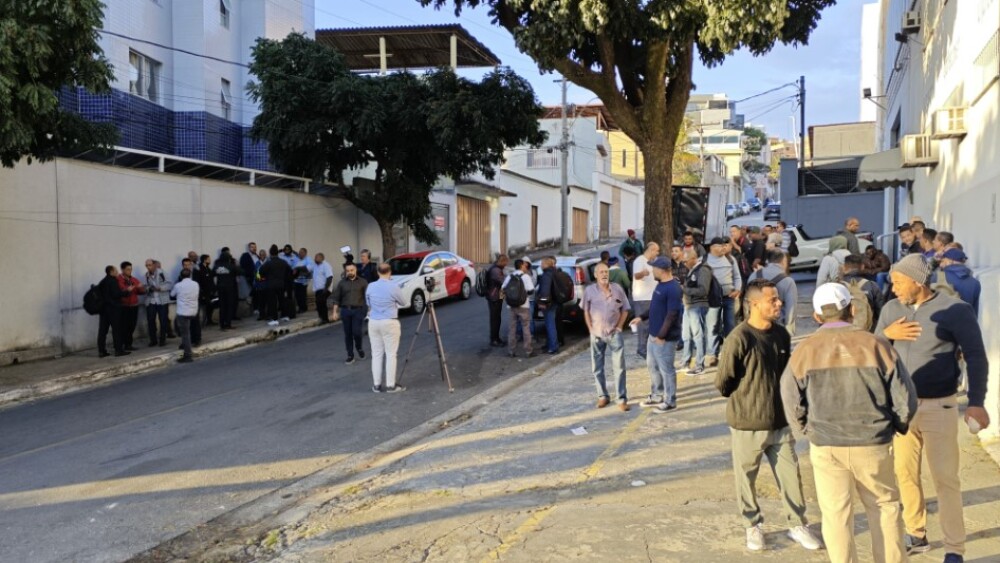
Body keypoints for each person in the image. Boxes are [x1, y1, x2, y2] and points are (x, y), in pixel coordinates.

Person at [782, 283, 916, 563]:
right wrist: (897, 426)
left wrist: (806, 431)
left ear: (817, 316)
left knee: (836, 516)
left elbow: (791, 398)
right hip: (874, 443)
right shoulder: (877, 345)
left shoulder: (805, 350)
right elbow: (905, 397)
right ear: (852, 310)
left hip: (827, 446)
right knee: (885, 509)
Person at [877, 254, 990, 560]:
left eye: (899, 282)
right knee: (904, 474)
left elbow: (976, 356)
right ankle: (916, 533)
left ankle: (954, 549)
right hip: (901, 409)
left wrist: (977, 402)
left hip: (939, 406)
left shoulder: (955, 310)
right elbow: (872, 351)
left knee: (945, 479)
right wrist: (886, 336)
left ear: (918, 281)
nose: (893, 287)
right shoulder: (890, 309)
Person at [714, 279, 822, 553]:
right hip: (748, 422)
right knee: (746, 478)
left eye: (777, 299)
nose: (779, 304)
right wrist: (749, 396)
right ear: (754, 304)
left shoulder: (782, 335)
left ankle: (797, 523)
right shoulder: (739, 338)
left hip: (780, 421)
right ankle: (752, 525)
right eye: (772, 300)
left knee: (791, 475)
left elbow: (788, 376)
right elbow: (724, 382)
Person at [631, 256, 683, 413]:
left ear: (662, 270)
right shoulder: (660, 285)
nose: (652, 270)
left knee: (666, 369)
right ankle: (657, 394)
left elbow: (672, 314)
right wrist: (641, 317)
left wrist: (661, 335)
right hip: (653, 336)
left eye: (654, 268)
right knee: (652, 366)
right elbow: (655, 307)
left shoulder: (673, 288)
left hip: (664, 338)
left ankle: (670, 401)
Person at [582, 262, 631, 411]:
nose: (604, 274)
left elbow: (626, 309)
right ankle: (602, 396)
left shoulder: (617, 289)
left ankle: (621, 399)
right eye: (601, 272)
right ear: (595, 275)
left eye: (606, 272)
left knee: (619, 367)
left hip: (614, 334)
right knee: (597, 367)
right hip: (596, 334)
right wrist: (590, 329)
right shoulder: (589, 291)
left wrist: (620, 326)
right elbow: (585, 311)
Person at [366, 262, 409, 393]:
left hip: (373, 321)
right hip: (389, 321)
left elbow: (368, 303)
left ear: (378, 272)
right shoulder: (394, 286)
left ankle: (376, 385)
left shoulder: (370, 286)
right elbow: (403, 302)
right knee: (391, 354)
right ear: (390, 272)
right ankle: (391, 385)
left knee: (376, 354)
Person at [705, 237, 742, 365]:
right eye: (720, 246)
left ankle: (731, 353)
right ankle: (712, 355)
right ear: (712, 247)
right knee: (713, 327)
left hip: (729, 298)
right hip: (712, 299)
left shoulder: (731, 260)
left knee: (730, 326)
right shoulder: (704, 261)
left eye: (724, 246)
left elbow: (737, 276)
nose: (723, 248)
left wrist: (737, 289)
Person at [749, 249, 797, 335]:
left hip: (756, 324)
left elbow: (748, 302)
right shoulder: (788, 281)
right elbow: (791, 309)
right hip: (778, 325)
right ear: (783, 261)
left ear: (768, 261)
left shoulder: (753, 276)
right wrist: (789, 331)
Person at [329, 262, 369, 363]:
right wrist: (334, 312)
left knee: (357, 332)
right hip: (345, 311)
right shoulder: (342, 283)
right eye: (347, 271)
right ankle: (350, 355)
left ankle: (359, 347)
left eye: (352, 270)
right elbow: (336, 299)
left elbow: (368, 297)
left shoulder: (363, 282)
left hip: (358, 311)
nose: (350, 272)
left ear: (355, 270)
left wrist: (369, 310)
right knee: (348, 334)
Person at [679, 250, 711, 375]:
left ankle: (699, 364)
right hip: (688, 306)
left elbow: (703, 290)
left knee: (698, 335)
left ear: (693, 258)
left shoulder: (703, 270)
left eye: (686, 261)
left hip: (698, 305)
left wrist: (685, 289)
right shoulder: (693, 269)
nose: (684, 263)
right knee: (686, 335)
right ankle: (686, 361)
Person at [631, 242, 660, 359]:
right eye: (656, 251)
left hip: (653, 297)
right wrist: (643, 273)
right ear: (651, 250)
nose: (657, 253)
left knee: (652, 324)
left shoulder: (655, 261)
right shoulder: (640, 260)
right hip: (643, 298)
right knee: (644, 325)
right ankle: (642, 349)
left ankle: (649, 348)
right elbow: (636, 275)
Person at [840, 254, 884, 330]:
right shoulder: (872, 285)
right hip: (867, 332)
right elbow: (881, 313)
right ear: (862, 266)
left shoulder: (836, 287)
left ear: (844, 267)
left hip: (842, 333)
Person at [503, 259, 535, 358]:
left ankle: (511, 351)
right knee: (526, 327)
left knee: (512, 328)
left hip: (512, 306)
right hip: (523, 306)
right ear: (521, 266)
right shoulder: (526, 277)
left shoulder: (509, 276)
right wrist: (524, 295)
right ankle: (528, 351)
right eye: (525, 265)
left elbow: (503, 289)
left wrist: (506, 300)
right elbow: (531, 290)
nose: (526, 267)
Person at [170, 269, 200, 364]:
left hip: (183, 312)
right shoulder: (195, 284)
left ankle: (187, 355)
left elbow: (171, 295)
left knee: (185, 334)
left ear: (181, 276)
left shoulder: (178, 285)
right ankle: (193, 342)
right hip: (193, 311)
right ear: (190, 275)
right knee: (190, 330)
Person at [97, 265, 127, 357]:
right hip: (114, 309)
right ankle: (118, 350)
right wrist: (127, 291)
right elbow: (116, 294)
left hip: (103, 310)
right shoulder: (113, 281)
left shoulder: (102, 282)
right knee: (117, 329)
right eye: (116, 271)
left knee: (103, 331)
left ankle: (101, 351)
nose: (117, 272)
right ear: (111, 272)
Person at [937, 248, 980, 313]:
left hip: (943, 321)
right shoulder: (975, 283)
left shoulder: (937, 277)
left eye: (943, 261)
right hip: (967, 321)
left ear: (950, 261)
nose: (940, 264)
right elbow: (975, 310)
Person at [259, 245, 291, 326]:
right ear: (277, 253)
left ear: (270, 253)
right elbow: (289, 272)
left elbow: (260, 272)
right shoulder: (283, 262)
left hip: (271, 285)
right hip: (281, 284)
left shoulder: (268, 263)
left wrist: (263, 278)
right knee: (282, 300)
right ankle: (285, 316)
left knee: (272, 302)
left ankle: (274, 319)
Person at [143, 258, 172, 347]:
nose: (148, 267)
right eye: (147, 265)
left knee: (163, 321)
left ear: (154, 265)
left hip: (162, 301)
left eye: (150, 265)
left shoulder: (162, 273)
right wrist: (148, 289)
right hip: (151, 301)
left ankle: (162, 340)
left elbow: (170, 284)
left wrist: (160, 288)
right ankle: (153, 340)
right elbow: (145, 287)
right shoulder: (146, 275)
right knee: (150, 321)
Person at [117, 261, 145, 351]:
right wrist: (135, 286)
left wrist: (141, 288)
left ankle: (128, 344)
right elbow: (123, 290)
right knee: (123, 326)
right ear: (122, 270)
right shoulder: (118, 279)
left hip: (134, 305)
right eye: (128, 269)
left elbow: (141, 290)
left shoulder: (133, 279)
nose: (130, 271)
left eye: (131, 269)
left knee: (132, 326)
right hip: (124, 306)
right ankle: (120, 345)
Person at [536, 256, 561, 354]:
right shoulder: (555, 272)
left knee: (550, 324)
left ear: (546, 264)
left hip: (548, 303)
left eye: (542, 263)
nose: (541, 265)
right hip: (554, 301)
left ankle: (553, 347)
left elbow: (545, 291)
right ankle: (551, 344)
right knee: (551, 324)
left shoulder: (546, 275)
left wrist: (542, 303)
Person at [212, 250, 242, 331]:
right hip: (230, 288)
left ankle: (222, 325)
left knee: (222, 306)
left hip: (220, 288)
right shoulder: (231, 266)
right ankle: (228, 324)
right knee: (229, 306)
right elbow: (241, 272)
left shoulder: (216, 266)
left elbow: (212, 274)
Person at [485, 255, 509, 347]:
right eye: (506, 262)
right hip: (494, 297)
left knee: (496, 318)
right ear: (502, 261)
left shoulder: (496, 268)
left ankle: (496, 338)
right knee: (495, 319)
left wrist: (502, 298)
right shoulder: (496, 270)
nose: (506, 265)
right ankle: (494, 340)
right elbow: (503, 283)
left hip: (495, 297)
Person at [312, 253, 335, 324]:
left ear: (322, 258)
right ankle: (321, 318)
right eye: (315, 257)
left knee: (321, 302)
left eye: (317, 257)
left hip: (324, 288)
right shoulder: (315, 266)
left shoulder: (326, 265)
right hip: (317, 289)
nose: (315, 259)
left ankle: (325, 319)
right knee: (318, 303)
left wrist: (326, 289)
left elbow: (329, 277)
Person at [239, 242, 261, 316]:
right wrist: (248, 276)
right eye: (252, 247)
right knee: (253, 292)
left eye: (255, 247)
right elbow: (243, 266)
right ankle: (254, 308)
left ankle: (257, 307)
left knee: (258, 292)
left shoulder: (257, 256)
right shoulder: (245, 256)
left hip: (258, 277)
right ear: (249, 248)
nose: (254, 248)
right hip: (250, 277)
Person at [194, 254, 215, 327]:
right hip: (203, 291)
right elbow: (199, 280)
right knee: (205, 306)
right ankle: (204, 321)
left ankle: (209, 319)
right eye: (208, 259)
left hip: (210, 291)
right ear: (204, 260)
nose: (210, 260)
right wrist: (201, 291)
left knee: (211, 306)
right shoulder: (200, 268)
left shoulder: (208, 268)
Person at [279, 244, 299, 319]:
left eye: (288, 249)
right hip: (283, 279)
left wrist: (296, 270)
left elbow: (297, 266)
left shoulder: (294, 257)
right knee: (283, 297)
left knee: (291, 297)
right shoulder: (281, 256)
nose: (287, 250)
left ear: (291, 250)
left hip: (291, 279)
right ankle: (284, 313)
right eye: (285, 249)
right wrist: (280, 250)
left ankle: (292, 313)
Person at [293, 247, 314, 314]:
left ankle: (303, 308)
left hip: (304, 281)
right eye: (299, 252)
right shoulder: (298, 260)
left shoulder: (308, 259)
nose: (300, 253)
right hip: (296, 280)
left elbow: (309, 268)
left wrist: (298, 269)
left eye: (301, 252)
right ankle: (300, 307)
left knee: (302, 295)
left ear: (305, 253)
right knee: (297, 295)